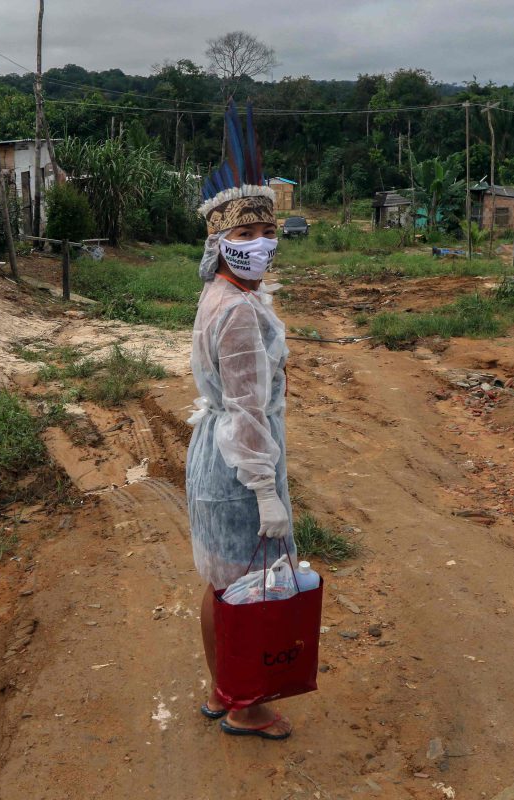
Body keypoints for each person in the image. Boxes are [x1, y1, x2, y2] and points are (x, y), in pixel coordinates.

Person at [187, 103, 296, 741]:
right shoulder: (240, 314)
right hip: (237, 460)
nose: (260, 245)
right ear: (221, 243)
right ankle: (246, 705)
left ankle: (221, 689)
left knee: (222, 581)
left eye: (266, 233)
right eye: (247, 237)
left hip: (214, 449)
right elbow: (250, 407)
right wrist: (264, 489)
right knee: (250, 585)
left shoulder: (221, 295)